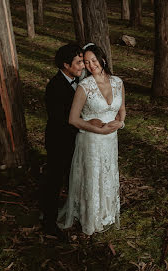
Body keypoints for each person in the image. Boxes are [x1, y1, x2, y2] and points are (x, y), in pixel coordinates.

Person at [57, 43, 126, 235]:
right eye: (86, 62)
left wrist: (120, 124)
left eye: (93, 60)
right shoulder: (84, 86)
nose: (90, 65)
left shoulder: (118, 82)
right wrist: (98, 129)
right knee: (93, 177)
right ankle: (91, 217)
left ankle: (107, 213)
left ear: (102, 59)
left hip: (111, 140)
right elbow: (73, 119)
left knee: (107, 174)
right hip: (91, 141)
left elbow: (122, 110)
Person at [41, 44, 102, 237]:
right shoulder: (55, 87)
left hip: (80, 140)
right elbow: (60, 120)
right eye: (78, 63)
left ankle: (76, 212)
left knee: (75, 178)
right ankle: (49, 221)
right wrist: (85, 123)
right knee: (55, 180)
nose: (82, 66)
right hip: (60, 141)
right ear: (66, 65)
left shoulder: (80, 80)